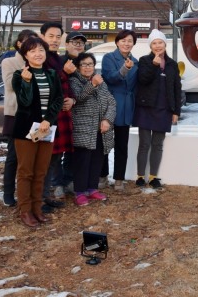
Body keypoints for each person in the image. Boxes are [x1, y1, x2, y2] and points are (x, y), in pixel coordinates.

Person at [12, 36, 63, 228]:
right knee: (26, 172)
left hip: (46, 129)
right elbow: (24, 103)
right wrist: (26, 83)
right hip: (26, 130)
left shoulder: (52, 74)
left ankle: (37, 208)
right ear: (26, 55)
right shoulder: (20, 75)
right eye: (32, 51)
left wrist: (48, 120)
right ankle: (25, 210)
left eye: (41, 50)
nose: (38, 54)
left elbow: (58, 100)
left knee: (41, 171)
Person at [133, 29, 182, 189]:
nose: (157, 46)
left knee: (157, 144)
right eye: (154, 43)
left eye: (160, 42)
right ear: (151, 46)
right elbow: (143, 79)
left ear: (164, 44)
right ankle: (140, 176)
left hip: (164, 109)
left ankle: (153, 177)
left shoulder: (172, 64)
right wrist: (154, 65)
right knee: (144, 143)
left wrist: (176, 111)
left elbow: (177, 88)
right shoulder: (144, 60)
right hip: (146, 108)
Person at [70, 53, 116, 206]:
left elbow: (112, 102)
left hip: (100, 130)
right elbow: (79, 98)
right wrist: (93, 84)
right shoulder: (74, 81)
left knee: (97, 160)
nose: (88, 67)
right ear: (78, 67)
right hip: (83, 129)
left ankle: (92, 188)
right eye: (84, 64)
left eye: (91, 64)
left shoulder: (101, 82)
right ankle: (80, 192)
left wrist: (107, 119)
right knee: (82, 161)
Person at [39, 22, 75, 212]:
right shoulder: (39, 56)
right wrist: (64, 73)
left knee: (54, 159)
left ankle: (46, 195)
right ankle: (39, 199)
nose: (55, 40)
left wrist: (72, 100)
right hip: (46, 116)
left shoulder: (58, 58)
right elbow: (46, 84)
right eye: (51, 36)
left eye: (58, 36)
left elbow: (67, 86)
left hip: (61, 114)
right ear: (42, 36)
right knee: (43, 159)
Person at [0, 29, 38, 207]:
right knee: (14, 156)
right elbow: (9, 85)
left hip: (37, 115)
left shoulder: (40, 61)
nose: (31, 45)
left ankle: (30, 192)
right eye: (27, 42)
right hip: (16, 114)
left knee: (33, 156)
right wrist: (25, 74)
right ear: (19, 44)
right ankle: (8, 192)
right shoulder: (9, 62)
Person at [102, 29, 139, 191]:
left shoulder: (136, 61)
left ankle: (119, 178)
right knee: (104, 144)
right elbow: (110, 78)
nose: (126, 43)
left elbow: (137, 86)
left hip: (127, 107)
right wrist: (125, 69)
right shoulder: (109, 58)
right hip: (110, 106)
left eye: (130, 41)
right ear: (117, 42)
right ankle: (102, 175)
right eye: (123, 40)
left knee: (122, 145)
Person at [51, 31, 86, 201]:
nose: (78, 45)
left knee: (74, 151)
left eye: (81, 42)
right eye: (74, 41)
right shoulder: (59, 62)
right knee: (57, 151)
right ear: (66, 44)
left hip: (80, 113)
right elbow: (53, 86)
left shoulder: (86, 62)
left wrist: (73, 99)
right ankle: (57, 183)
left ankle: (68, 180)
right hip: (61, 114)